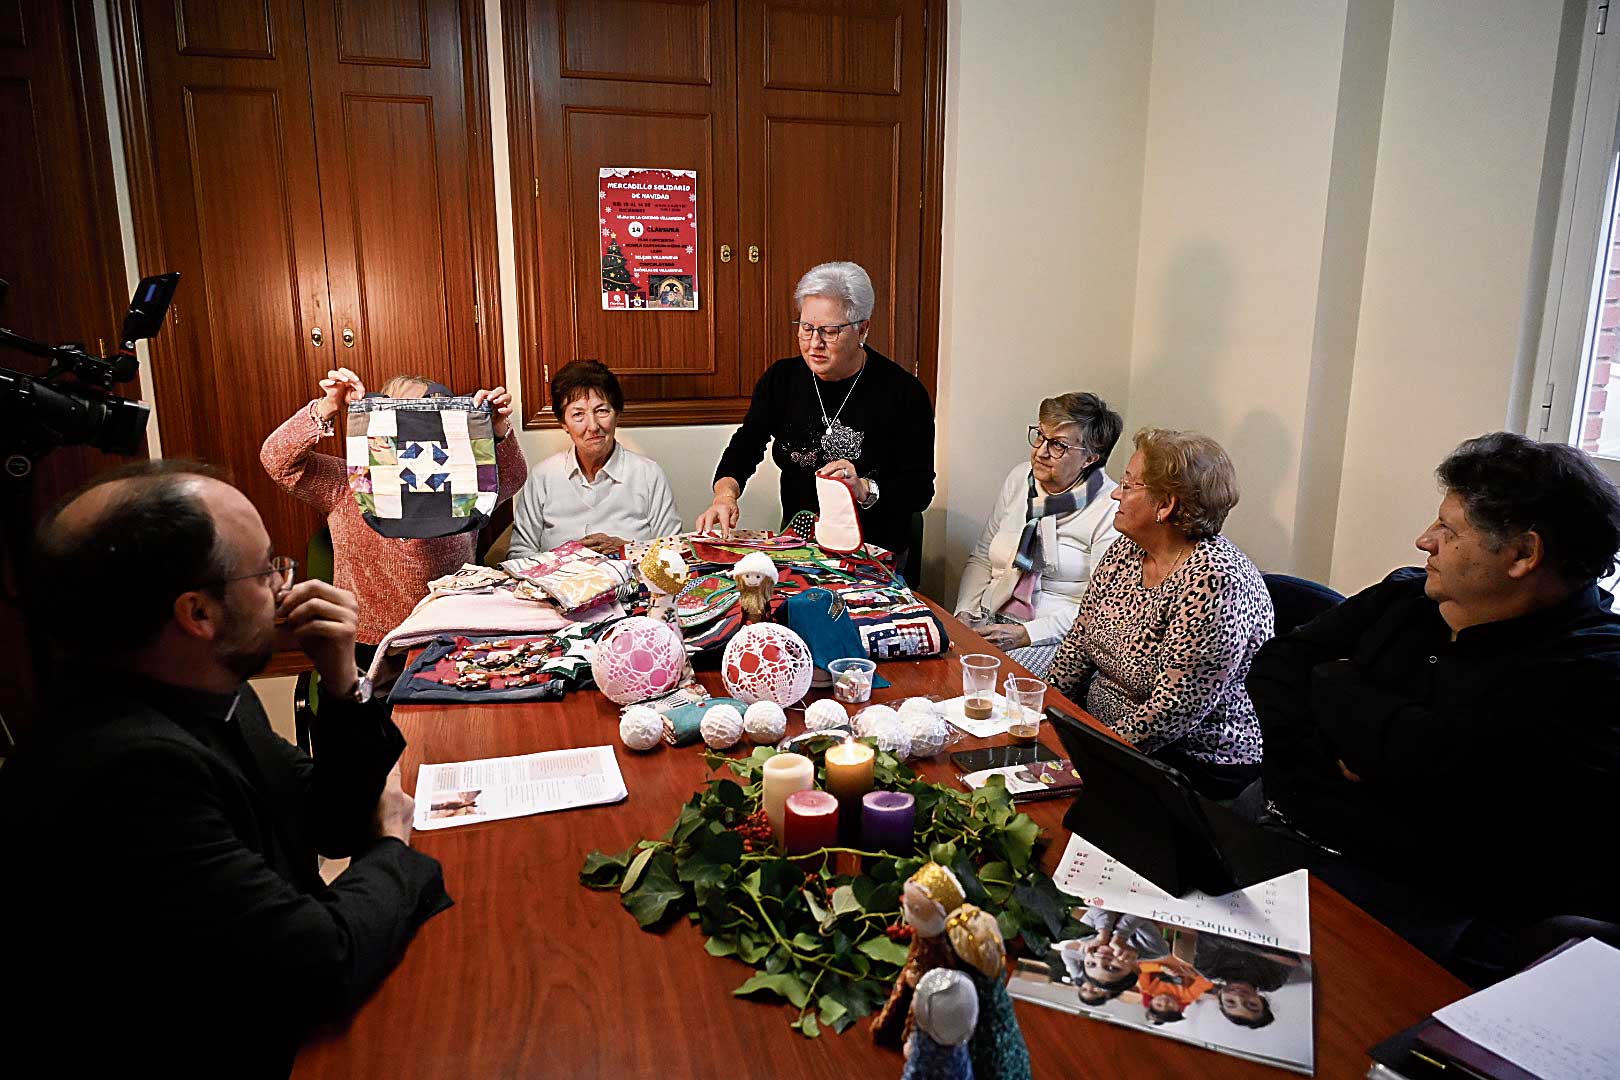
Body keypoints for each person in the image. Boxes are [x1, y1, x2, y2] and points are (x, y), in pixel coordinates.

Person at [0, 462, 450, 1076]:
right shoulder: (125, 772)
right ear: (198, 613)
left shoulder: (203, 688)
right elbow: (322, 963)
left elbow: (331, 823)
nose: (287, 585)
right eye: (268, 569)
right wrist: (394, 846)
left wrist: (342, 683)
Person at [1245, 431, 1620, 979]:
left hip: (1412, 907)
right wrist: (1335, 751)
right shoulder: (1407, 596)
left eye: (1449, 530)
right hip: (1273, 817)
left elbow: (1444, 785)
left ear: (1523, 554)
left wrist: (1335, 687)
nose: (1425, 541)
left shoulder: (1595, 669)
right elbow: (1277, 664)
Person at [1046, 429, 1273, 799]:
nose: (1116, 494)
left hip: (1189, 760)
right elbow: (1079, 641)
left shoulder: (1215, 582)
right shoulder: (1127, 550)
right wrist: (1046, 710)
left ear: (1165, 505)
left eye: (1128, 485)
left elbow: (1171, 713)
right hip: (1103, 732)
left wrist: (1085, 757)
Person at [260, 367, 526, 659]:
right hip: (365, 642)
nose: (407, 425)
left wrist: (498, 426)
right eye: (396, 412)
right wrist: (329, 406)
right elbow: (277, 460)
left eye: (420, 415)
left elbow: (512, 475)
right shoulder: (350, 482)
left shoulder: (463, 483)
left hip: (446, 635)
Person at [696, 261, 936, 562]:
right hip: (799, 545)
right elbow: (747, 443)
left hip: (872, 552)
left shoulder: (903, 393)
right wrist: (725, 495)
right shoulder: (782, 379)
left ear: (863, 328)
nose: (814, 344)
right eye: (806, 329)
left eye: (830, 332)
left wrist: (862, 488)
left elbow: (919, 489)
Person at [955, 392, 1123, 677]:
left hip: (1052, 637)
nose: (1040, 451)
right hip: (989, 615)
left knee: (995, 678)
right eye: (1040, 436)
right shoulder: (1021, 478)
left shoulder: (1111, 506)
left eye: (1058, 445)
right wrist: (963, 614)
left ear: (1090, 458)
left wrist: (1026, 634)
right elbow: (983, 556)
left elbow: (1099, 608)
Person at [507, 359, 681, 559]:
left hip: (632, 588)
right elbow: (518, 556)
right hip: (561, 588)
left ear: (617, 413)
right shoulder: (543, 477)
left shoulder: (648, 474)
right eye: (578, 414)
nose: (593, 426)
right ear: (563, 423)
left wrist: (627, 550)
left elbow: (674, 555)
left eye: (602, 411)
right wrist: (566, 556)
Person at [1137, 955, 1213, 1025]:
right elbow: (1207, 981)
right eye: (1169, 1007)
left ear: (1151, 1002)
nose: (1164, 1002)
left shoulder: (1147, 987)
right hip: (1188, 959)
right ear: (1178, 1008)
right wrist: (1194, 974)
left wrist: (1161, 968)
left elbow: (1140, 967)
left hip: (1161, 955)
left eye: (1159, 1004)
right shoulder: (1188, 996)